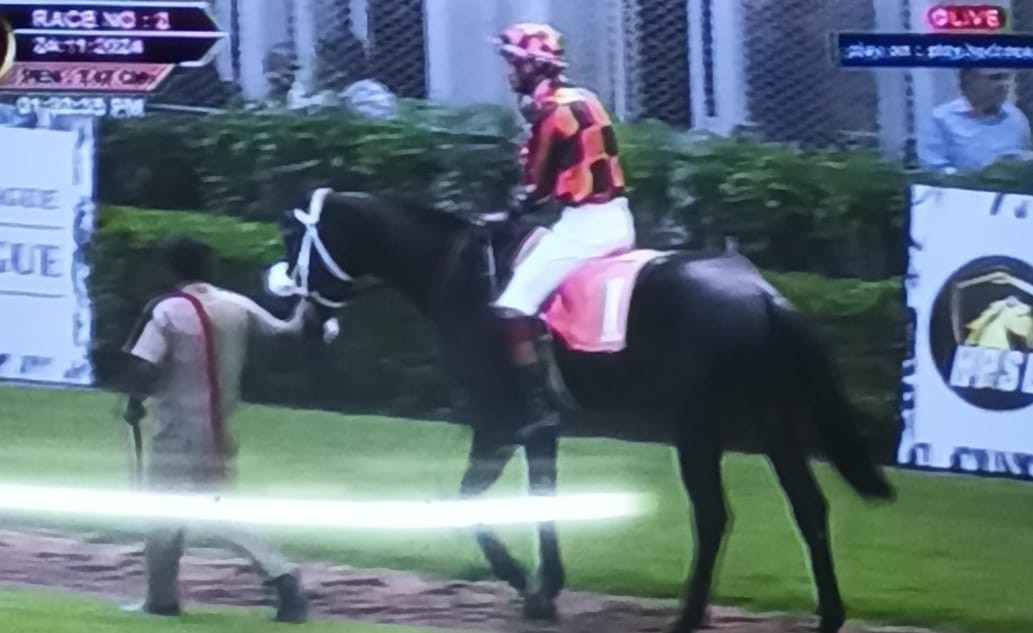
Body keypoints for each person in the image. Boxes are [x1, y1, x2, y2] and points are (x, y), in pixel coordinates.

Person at [116, 235, 313, 622]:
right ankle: (275, 574)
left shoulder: (167, 310)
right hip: (221, 427)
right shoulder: (238, 305)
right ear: (210, 267)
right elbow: (288, 331)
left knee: (167, 514)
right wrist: (309, 301)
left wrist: (134, 402)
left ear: (169, 268)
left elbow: (144, 365)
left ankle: (168, 598)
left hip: (177, 429)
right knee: (211, 508)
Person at [488, 23, 636, 436]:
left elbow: (535, 189)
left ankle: (537, 407)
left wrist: (507, 214)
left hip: (586, 225)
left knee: (512, 306)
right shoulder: (585, 98)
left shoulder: (550, 111)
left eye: (513, 63)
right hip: (618, 217)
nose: (508, 72)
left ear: (533, 67)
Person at [918, 68, 1033, 174]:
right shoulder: (940, 119)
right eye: (995, 78)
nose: (1005, 84)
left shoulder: (1016, 117)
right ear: (970, 82)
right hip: (961, 188)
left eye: (1007, 78)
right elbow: (935, 170)